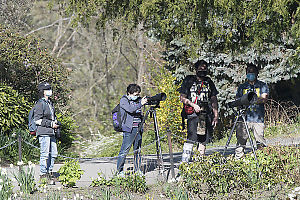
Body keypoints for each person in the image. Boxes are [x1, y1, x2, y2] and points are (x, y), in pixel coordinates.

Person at [179, 60, 219, 162]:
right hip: (192, 114)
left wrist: (216, 115)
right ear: (196, 69)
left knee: (203, 140)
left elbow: (213, 98)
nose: (202, 70)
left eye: (204, 68)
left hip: (205, 114)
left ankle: (199, 164)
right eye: (200, 68)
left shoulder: (209, 82)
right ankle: (185, 163)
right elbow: (182, 97)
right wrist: (192, 104)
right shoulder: (189, 80)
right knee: (191, 138)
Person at [234, 63, 269, 159]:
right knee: (241, 140)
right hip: (244, 117)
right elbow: (238, 99)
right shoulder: (242, 87)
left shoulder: (262, 85)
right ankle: (239, 159)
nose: (250, 74)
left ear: (256, 73)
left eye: (252, 72)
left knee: (260, 140)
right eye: (248, 72)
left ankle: (262, 159)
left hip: (258, 117)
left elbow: (264, 98)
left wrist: (250, 100)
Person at [116, 83, 148, 177]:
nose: (137, 96)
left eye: (138, 94)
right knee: (124, 151)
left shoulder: (138, 100)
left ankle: (138, 170)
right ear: (129, 93)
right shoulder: (124, 100)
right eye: (135, 95)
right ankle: (119, 171)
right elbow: (130, 109)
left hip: (138, 127)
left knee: (137, 150)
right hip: (129, 129)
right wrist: (140, 104)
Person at [34, 82, 60, 184]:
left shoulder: (50, 103)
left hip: (51, 132)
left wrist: (56, 123)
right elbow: (37, 120)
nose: (50, 91)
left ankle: (49, 172)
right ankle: (43, 175)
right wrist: (50, 124)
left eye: (50, 88)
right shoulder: (40, 104)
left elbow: (52, 116)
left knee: (53, 154)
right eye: (47, 89)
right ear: (43, 92)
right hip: (44, 132)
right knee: (44, 154)